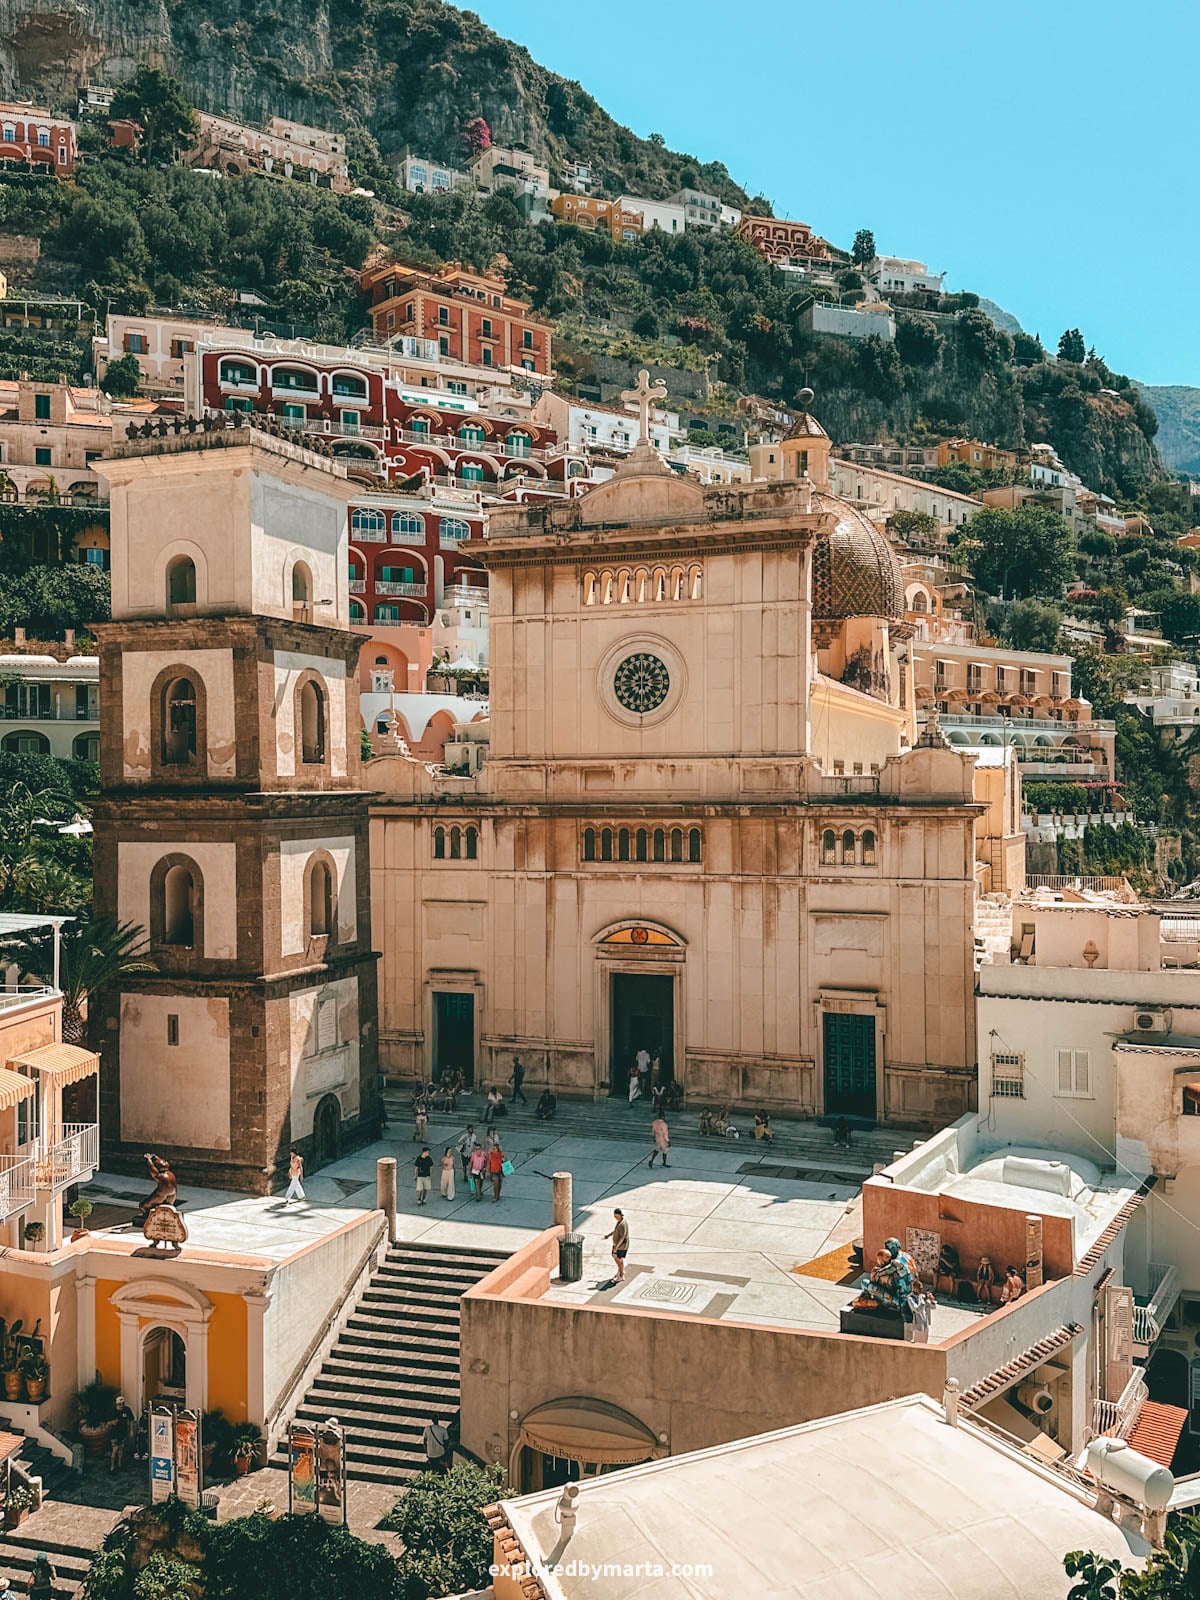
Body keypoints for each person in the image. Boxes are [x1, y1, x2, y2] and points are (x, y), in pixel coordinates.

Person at [110, 1394, 136, 1474]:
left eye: (122, 1404)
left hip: (123, 1432)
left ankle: (119, 1464)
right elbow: (107, 1422)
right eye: (119, 1404)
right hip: (114, 1433)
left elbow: (131, 1419)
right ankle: (112, 1467)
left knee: (121, 1449)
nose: (121, 1406)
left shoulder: (127, 1410)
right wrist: (112, 1422)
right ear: (116, 1404)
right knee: (115, 1450)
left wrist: (131, 1430)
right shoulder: (112, 1411)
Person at [605, 1209, 630, 1281]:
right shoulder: (620, 1222)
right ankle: (620, 1270)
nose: (615, 1217)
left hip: (621, 1246)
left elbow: (622, 1237)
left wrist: (616, 1247)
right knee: (615, 1256)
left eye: (616, 1216)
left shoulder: (622, 1224)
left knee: (619, 1259)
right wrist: (609, 1235)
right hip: (617, 1244)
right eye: (614, 1216)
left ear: (620, 1215)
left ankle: (621, 1275)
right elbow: (616, 1230)